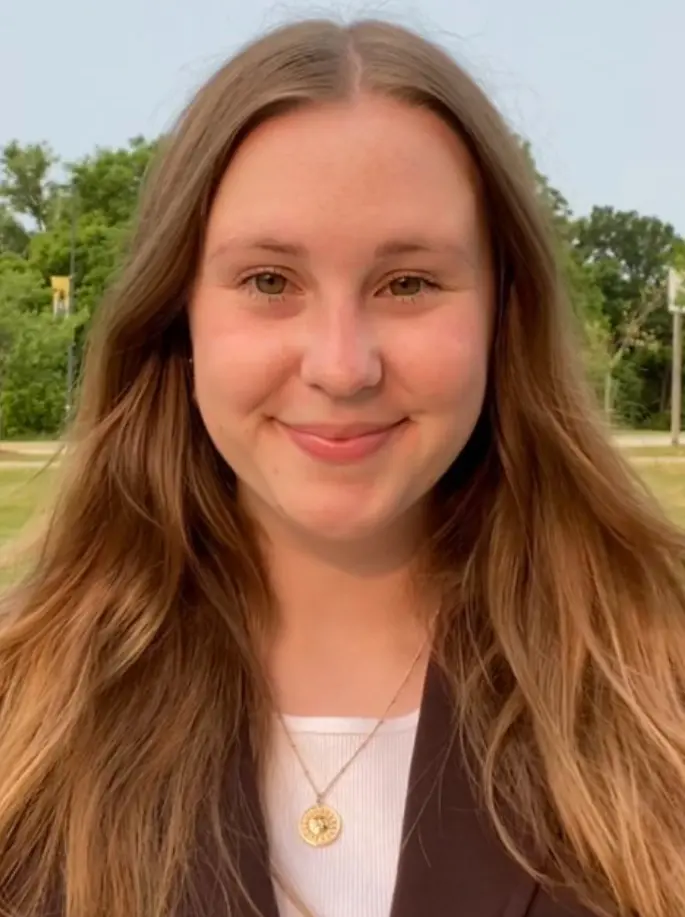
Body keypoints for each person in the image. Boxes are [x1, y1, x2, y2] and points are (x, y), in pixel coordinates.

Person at [0, 17, 684, 917]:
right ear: (177, 317)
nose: (340, 364)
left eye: (407, 283)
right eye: (269, 281)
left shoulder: (660, 690)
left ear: (501, 316)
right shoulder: (25, 716)